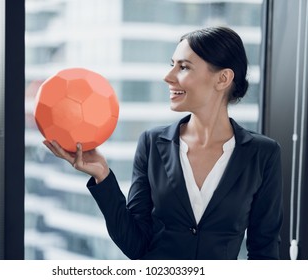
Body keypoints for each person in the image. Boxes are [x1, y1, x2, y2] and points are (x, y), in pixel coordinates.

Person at [43, 26, 283, 260]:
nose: (168, 77)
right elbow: (135, 245)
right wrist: (103, 177)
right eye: (172, 65)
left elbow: (265, 252)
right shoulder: (152, 144)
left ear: (222, 78)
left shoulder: (262, 154)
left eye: (184, 67)